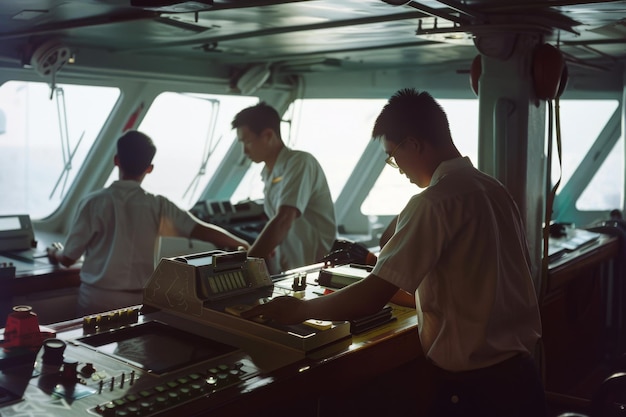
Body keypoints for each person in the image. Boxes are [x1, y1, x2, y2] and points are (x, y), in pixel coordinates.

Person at [242, 89, 546, 416]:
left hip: (477, 391)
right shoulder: (494, 190)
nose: (396, 167)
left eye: (392, 155)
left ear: (413, 144)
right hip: (521, 378)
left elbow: (372, 295)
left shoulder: (433, 203)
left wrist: (297, 311)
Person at [47, 130, 250, 316]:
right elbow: (200, 230)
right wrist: (242, 244)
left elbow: (67, 258)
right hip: (138, 302)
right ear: (150, 168)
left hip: (95, 300)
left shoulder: (93, 202)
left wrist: (54, 252)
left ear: (116, 160)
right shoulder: (158, 205)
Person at [231, 102, 336, 274]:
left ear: (268, 135)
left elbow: (283, 220)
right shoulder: (268, 172)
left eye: (248, 142)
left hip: (316, 267)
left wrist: (245, 267)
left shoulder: (300, 162)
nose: (244, 151)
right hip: (291, 267)